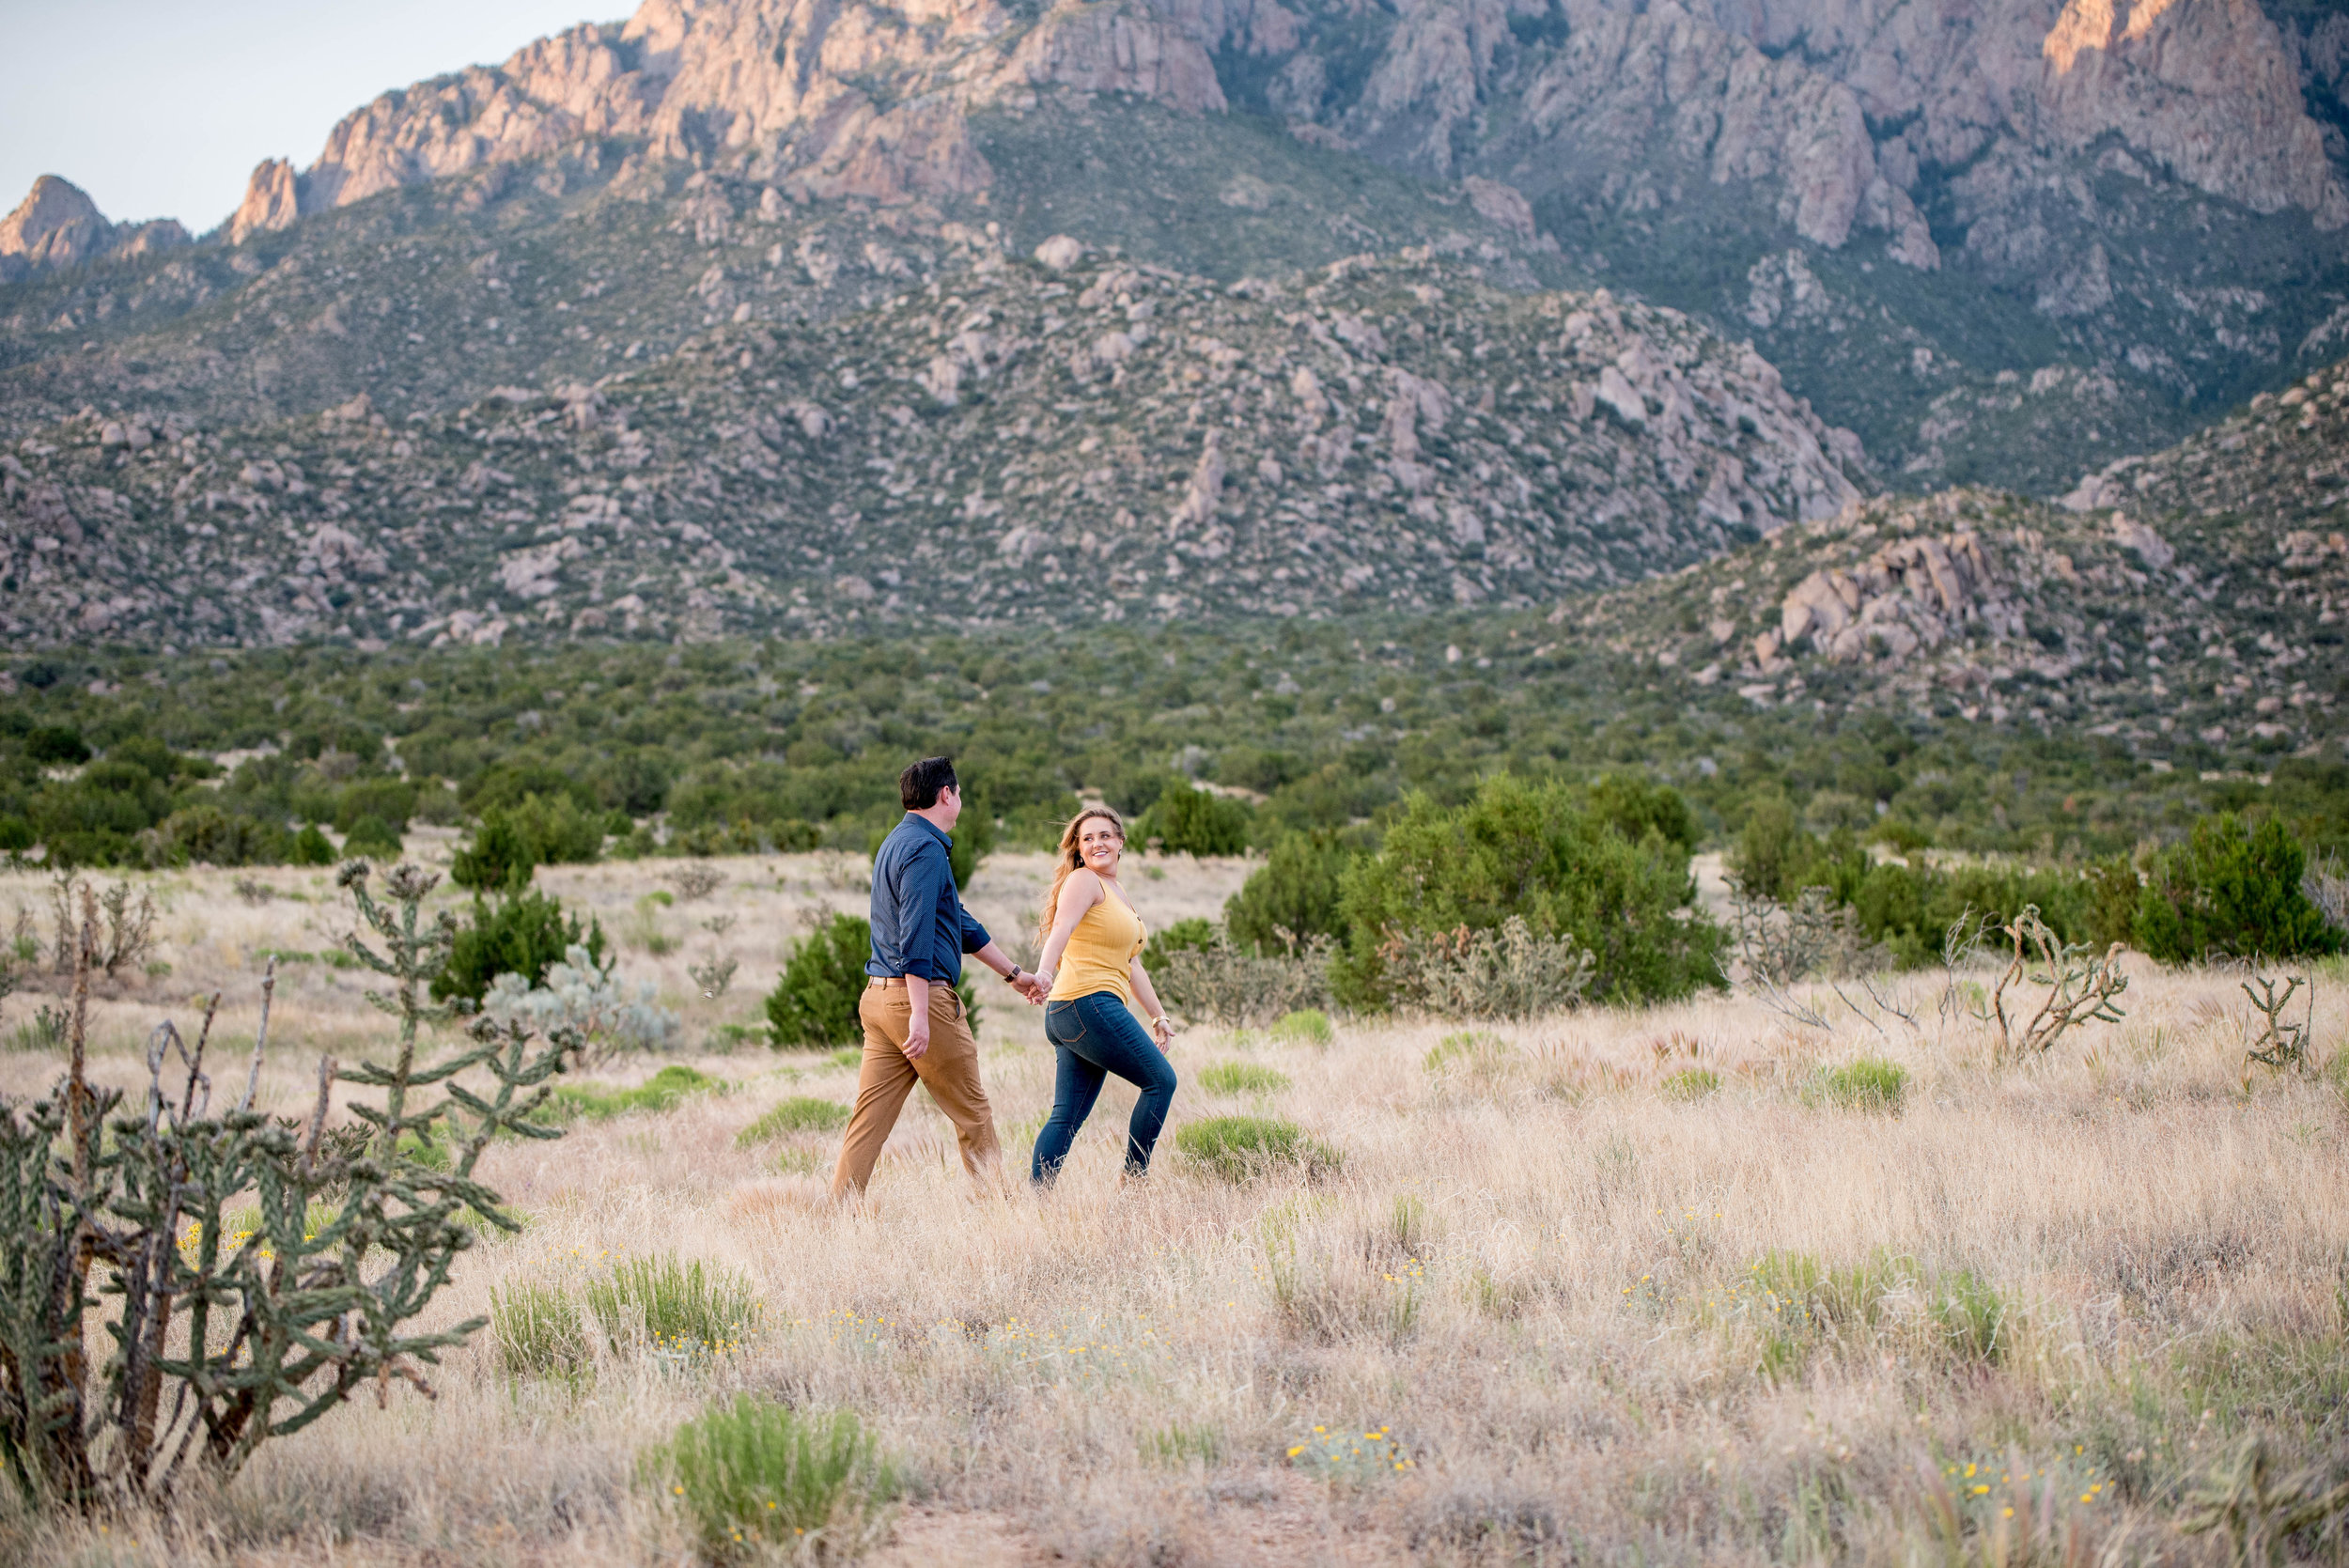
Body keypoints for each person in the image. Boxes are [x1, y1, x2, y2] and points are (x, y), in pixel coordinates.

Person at [830, 756, 1045, 1201]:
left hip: (878, 999)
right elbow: (916, 936)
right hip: (916, 999)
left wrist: (1014, 974)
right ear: (946, 794)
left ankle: (838, 1215)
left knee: (868, 1120)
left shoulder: (896, 842)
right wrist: (922, 1015)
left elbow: (958, 923)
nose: (961, 800)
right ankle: (998, 1215)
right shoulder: (927, 849)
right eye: (960, 792)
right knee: (973, 1113)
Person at [1029, 805, 1178, 1186]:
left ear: (1121, 842)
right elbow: (1061, 928)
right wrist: (1044, 973)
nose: (1098, 843)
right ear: (1078, 849)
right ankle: (1134, 1183)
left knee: (1067, 1116)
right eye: (1088, 838)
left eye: (1105, 835)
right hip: (1087, 1003)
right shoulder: (1083, 881)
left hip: (1074, 1012)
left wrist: (1158, 1016)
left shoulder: (1117, 891)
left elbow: (1131, 964)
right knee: (1161, 1081)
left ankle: (1037, 1201)